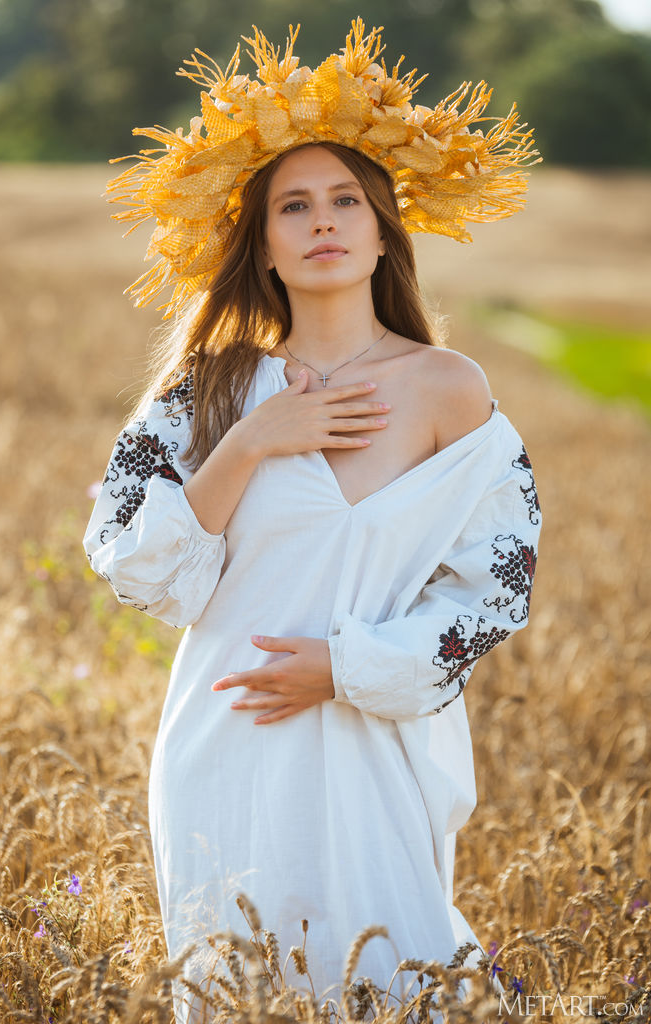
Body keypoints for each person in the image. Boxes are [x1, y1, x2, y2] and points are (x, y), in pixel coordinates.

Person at [83, 19, 543, 1021]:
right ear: (266, 245)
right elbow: (136, 565)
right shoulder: (206, 390)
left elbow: (496, 585)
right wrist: (254, 439)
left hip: (371, 742)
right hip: (228, 737)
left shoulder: (451, 389)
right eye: (294, 205)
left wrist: (344, 666)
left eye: (347, 201)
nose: (323, 220)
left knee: (398, 984)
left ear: (383, 231)